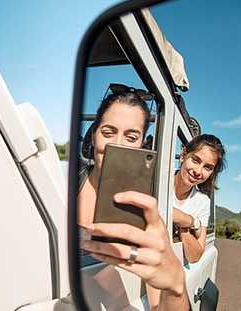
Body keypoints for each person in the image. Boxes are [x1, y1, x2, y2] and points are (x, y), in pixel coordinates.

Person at [78, 86, 190, 310]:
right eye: (108, 132)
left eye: (131, 137)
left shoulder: (145, 216)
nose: (117, 143)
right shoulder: (64, 180)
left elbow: (159, 304)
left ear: (141, 145)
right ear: (94, 135)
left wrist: (176, 285)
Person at [172, 134, 226, 264]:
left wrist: (183, 228)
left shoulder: (202, 202)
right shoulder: (159, 178)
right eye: (195, 160)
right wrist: (191, 221)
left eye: (207, 167)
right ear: (184, 154)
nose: (198, 171)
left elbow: (195, 256)